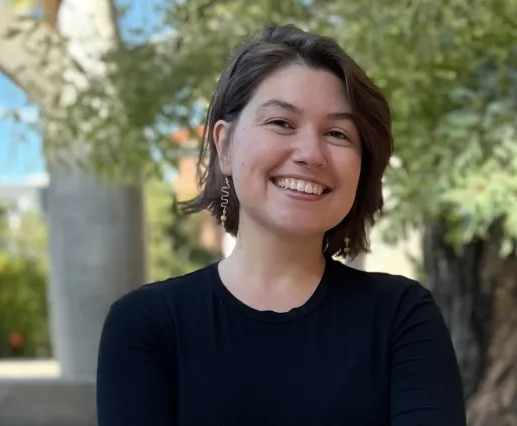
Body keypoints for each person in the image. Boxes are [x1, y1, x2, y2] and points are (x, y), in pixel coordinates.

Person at [96, 25, 466, 425]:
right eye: (281, 123)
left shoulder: (402, 317)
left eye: (337, 133)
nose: (310, 153)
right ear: (225, 146)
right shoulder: (146, 325)